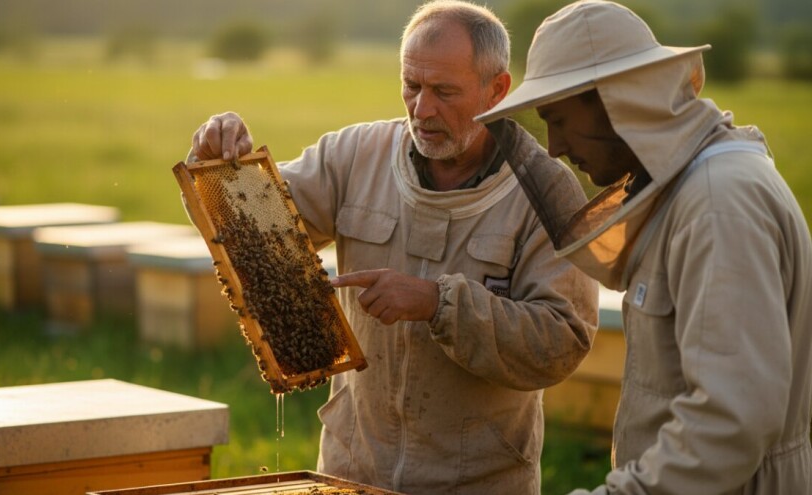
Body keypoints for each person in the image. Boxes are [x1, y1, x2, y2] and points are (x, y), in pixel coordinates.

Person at [188, 1, 599, 493]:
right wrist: (218, 167)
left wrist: (438, 304)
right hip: (350, 470)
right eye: (412, 86)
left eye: (445, 91)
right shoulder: (352, 156)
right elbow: (245, 234)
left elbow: (561, 341)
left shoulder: (546, 192)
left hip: (477, 482)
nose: (422, 109)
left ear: (497, 90)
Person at [475, 1, 812, 493]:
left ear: (620, 101)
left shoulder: (718, 202)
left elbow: (731, 423)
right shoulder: (690, 192)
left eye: (561, 120)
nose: (553, 147)